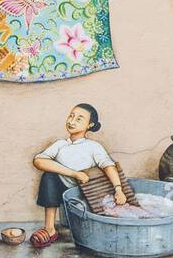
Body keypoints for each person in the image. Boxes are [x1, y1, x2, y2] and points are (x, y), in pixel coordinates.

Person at [30, 103, 127, 248]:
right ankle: (50, 229)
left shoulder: (93, 146)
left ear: (90, 125)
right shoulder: (60, 144)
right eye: (71, 116)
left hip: (86, 191)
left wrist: (118, 189)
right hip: (63, 188)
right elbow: (38, 161)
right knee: (49, 176)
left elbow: (109, 166)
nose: (72, 121)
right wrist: (74, 173)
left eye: (79, 119)